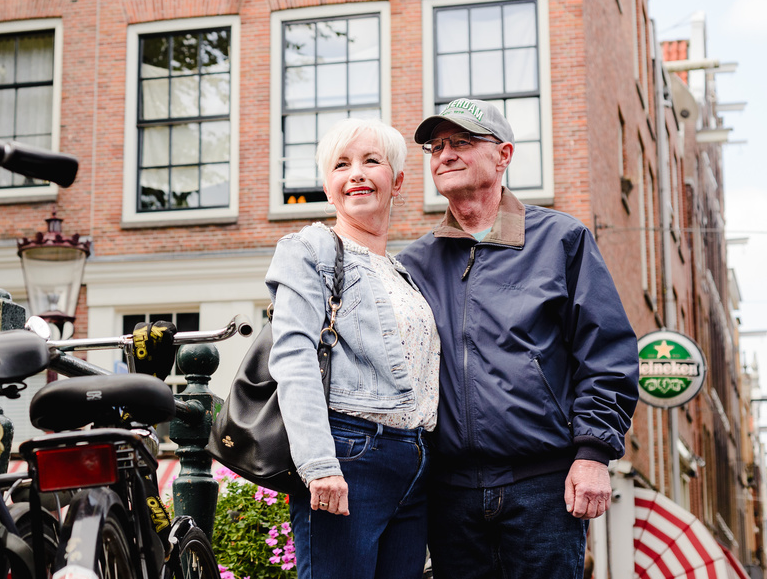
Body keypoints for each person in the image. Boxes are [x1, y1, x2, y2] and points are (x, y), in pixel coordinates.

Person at [397, 98, 639, 579]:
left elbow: (607, 355)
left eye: (462, 142)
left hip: (544, 486)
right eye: (436, 145)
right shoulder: (415, 263)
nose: (444, 154)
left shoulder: (561, 240)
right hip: (448, 494)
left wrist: (593, 454)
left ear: (503, 155)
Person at [267, 117, 440, 579]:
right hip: (349, 456)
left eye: (371, 161)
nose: (357, 173)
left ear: (397, 181)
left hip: (416, 463)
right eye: (341, 165)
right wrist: (319, 464)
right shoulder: (311, 249)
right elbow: (293, 356)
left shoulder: (405, 274)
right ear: (328, 187)